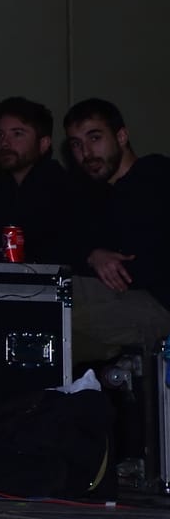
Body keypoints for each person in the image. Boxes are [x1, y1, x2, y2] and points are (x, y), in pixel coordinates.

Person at [64, 98, 170, 368]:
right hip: (125, 304)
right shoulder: (93, 194)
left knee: (51, 303)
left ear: (121, 137)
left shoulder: (154, 176)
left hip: (158, 305)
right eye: (76, 144)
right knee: (39, 320)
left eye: (95, 138)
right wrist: (93, 254)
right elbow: (66, 243)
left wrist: (98, 256)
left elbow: (141, 261)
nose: (86, 153)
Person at [0, 97, 82, 264]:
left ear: (43, 144)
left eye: (17, 134)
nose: (4, 143)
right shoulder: (5, 187)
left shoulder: (58, 187)